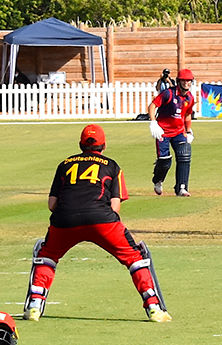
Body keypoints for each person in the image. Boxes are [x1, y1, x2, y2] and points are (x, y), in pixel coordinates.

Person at [23, 124, 170, 323]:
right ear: (104, 146)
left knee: (46, 255)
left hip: (64, 219)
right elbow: (115, 206)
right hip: (102, 219)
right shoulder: (112, 165)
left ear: (80, 145)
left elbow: (52, 204)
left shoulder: (65, 164)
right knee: (135, 257)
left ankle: (34, 307)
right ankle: (153, 307)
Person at [148, 68, 197, 197]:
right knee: (165, 160)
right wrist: (153, 122)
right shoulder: (168, 94)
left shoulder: (190, 98)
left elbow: (187, 115)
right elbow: (153, 105)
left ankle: (182, 188)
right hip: (163, 131)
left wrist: (188, 131)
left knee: (184, 157)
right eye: (184, 81)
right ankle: (158, 180)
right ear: (178, 81)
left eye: (189, 81)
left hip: (179, 131)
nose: (187, 83)